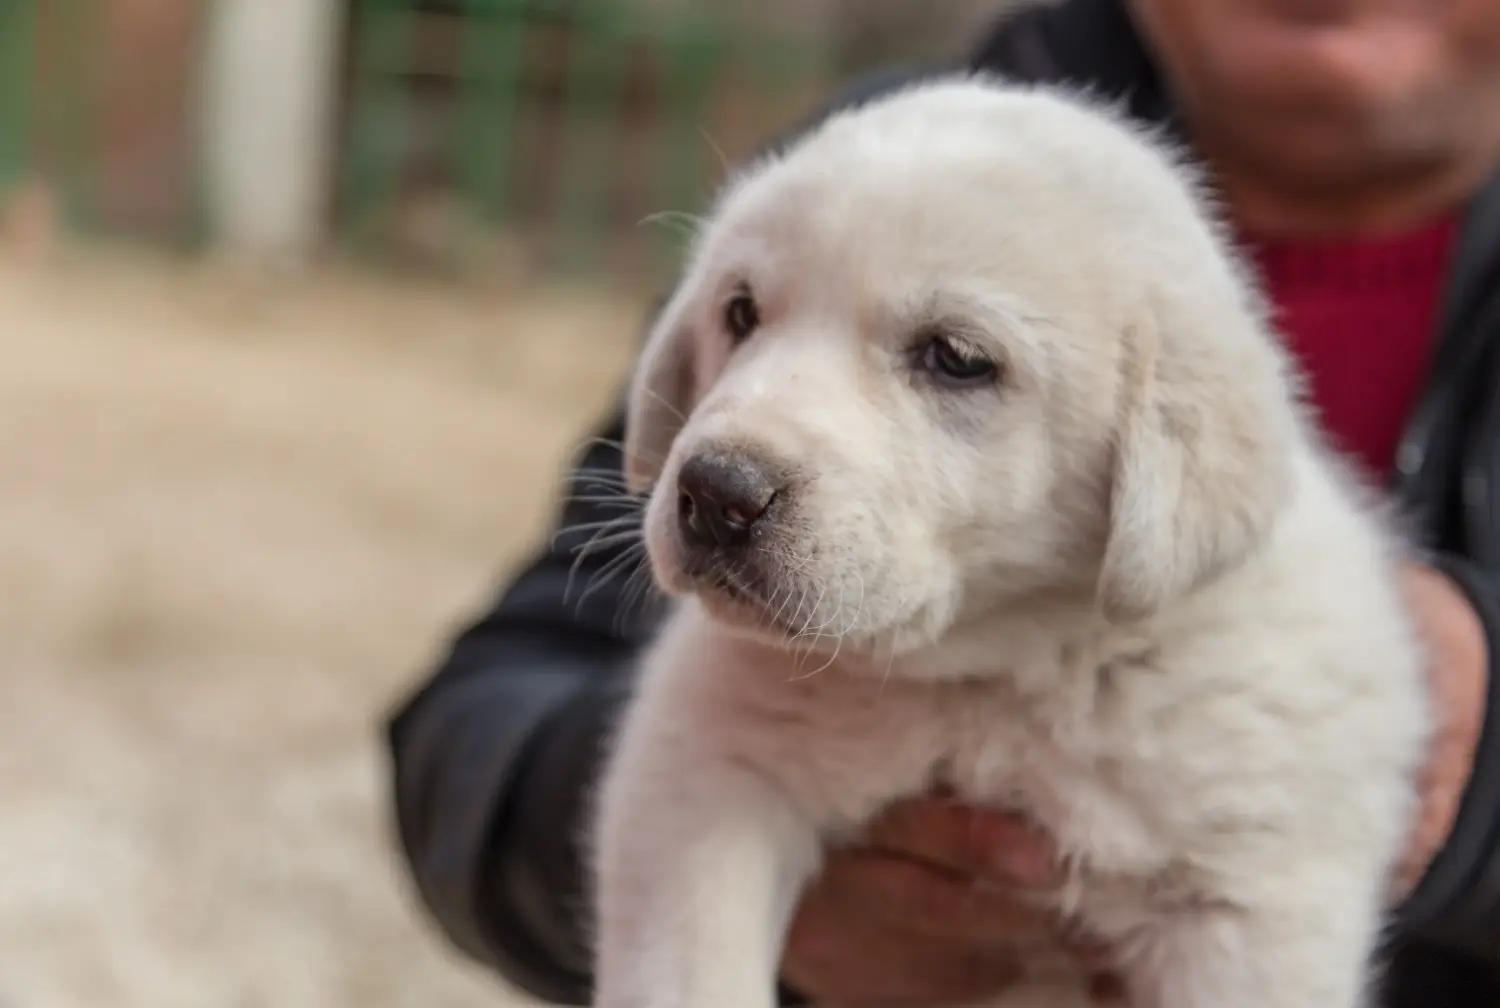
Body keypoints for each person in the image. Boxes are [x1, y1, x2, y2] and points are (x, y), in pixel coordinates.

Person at [386, 0, 1500, 1004]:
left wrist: (1470, 778)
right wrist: (776, 917)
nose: (731, 450)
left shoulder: (1228, 507)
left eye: (955, 358)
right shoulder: (863, 158)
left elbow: (1255, 895)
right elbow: (496, 725)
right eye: (744, 313)